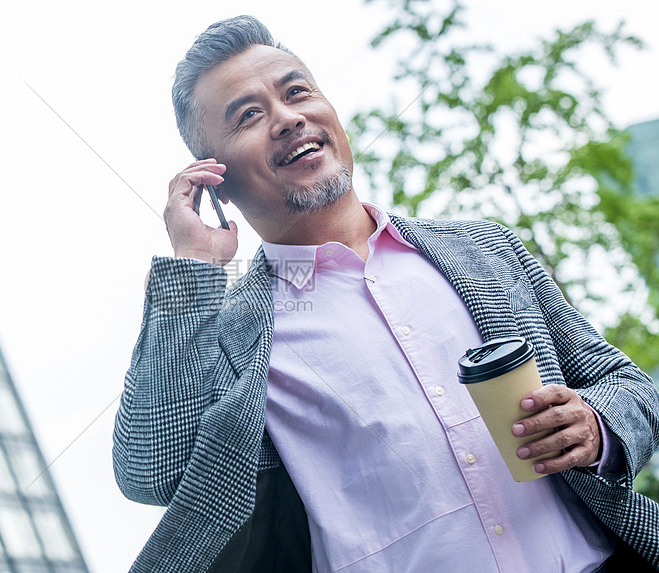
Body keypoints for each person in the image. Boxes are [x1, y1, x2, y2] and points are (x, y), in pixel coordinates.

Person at [112, 15, 659, 573]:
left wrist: (598, 423)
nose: (287, 118)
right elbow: (149, 468)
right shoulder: (231, 336)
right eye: (249, 115)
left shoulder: (484, 248)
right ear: (215, 178)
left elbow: (630, 386)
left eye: (297, 91)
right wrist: (193, 269)